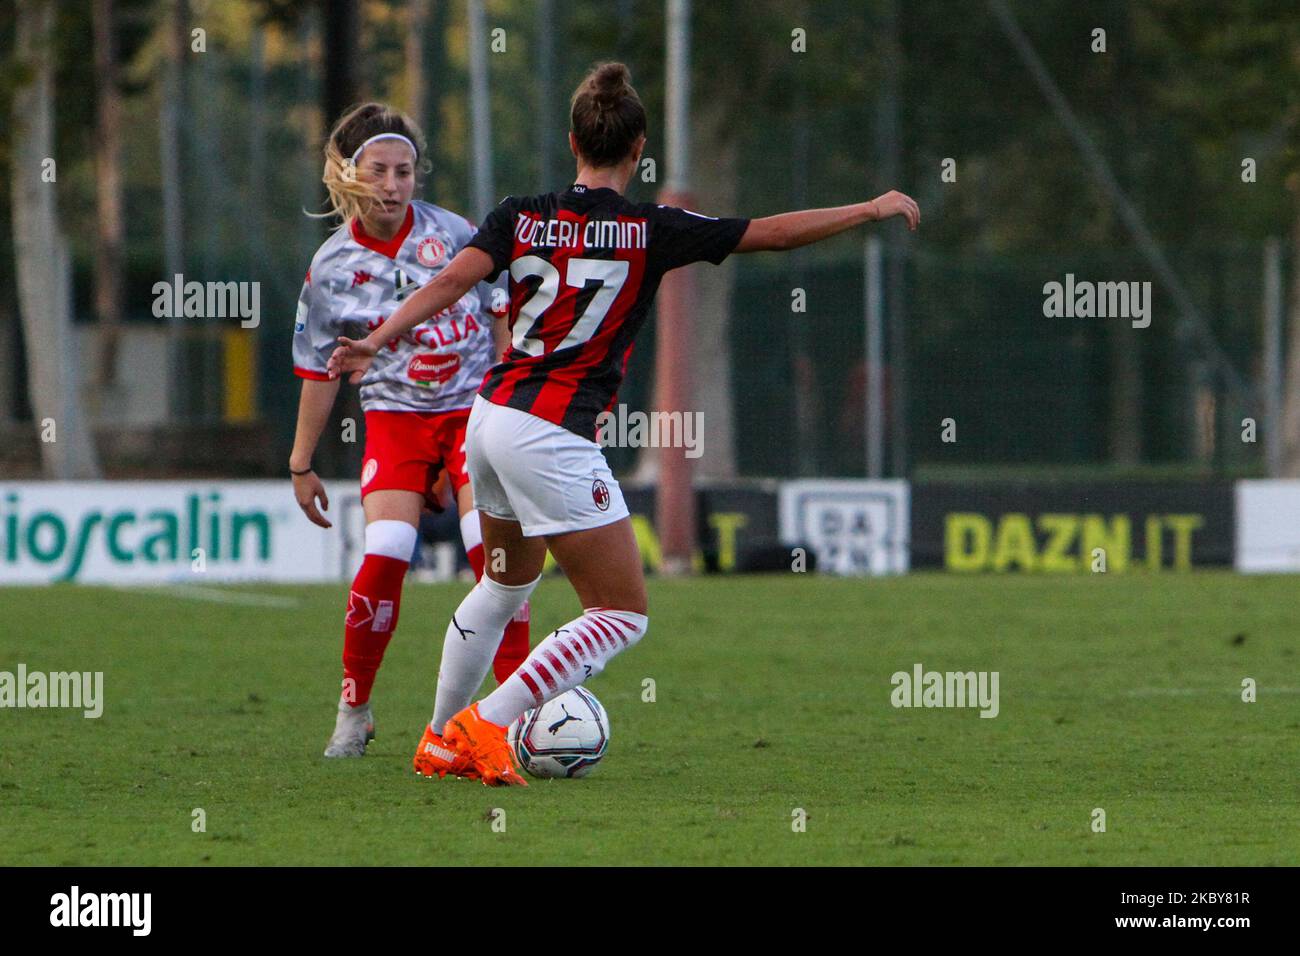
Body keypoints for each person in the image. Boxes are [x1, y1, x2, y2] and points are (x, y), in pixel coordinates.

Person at [327, 65, 919, 784]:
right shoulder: (651, 229)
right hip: (550, 434)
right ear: (638, 148)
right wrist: (869, 208)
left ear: (572, 140)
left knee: (507, 585)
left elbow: (451, 281)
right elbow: (773, 235)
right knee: (621, 612)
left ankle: (438, 738)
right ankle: (484, 724)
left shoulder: (520, 214)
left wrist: (376, 339)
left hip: (487, 416)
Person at [289, 102, 531, 760]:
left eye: (405, 171)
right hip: (395, 421)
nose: (394, 184)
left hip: (471, 417)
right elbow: (320, 369)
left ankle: (511, 716)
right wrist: (301, 463)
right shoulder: (331, 267)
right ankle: (355, 708)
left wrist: (509, 403)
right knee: (389, 550)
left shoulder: (455, 235)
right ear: (349, 175)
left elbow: (503, 313)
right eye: (380, 171)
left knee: (497, 557)